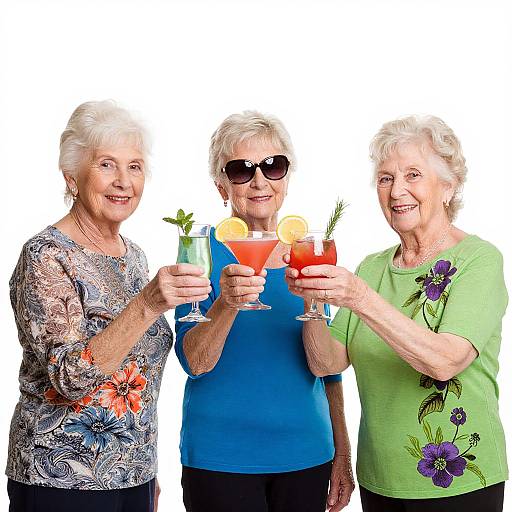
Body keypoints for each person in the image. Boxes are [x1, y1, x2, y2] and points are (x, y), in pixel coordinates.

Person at [286, 115, 507, 511]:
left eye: (413, 174)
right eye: (385, 178)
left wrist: (358, 297)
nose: (396, 190)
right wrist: (312, 296)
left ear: (448, 187)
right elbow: (326, 362)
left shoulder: (478, 260)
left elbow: (444, 360)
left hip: (457, 484)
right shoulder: (373, 267)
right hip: (381, 479)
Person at [6, 100, 211, 512]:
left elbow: (141, 377)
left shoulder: (132, 256)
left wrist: (144, 471)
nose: (123, 181)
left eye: (134, 167)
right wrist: (148, 303)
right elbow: (70, 378)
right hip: (60, 478)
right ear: (72, 177)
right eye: (106, 165)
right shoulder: (46, 256)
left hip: (131, 476)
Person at [174, 111, 354, 512]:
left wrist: (342, 452)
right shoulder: (199, 253)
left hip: (306, 454)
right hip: (221, 459)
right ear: (222, 185)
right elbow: (195, 362)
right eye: (241, 170)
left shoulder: (307, 252)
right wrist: (226, 303)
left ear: (286, 178)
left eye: (273, 166)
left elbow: (328, 370)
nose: (259, 181)